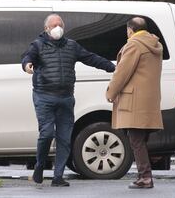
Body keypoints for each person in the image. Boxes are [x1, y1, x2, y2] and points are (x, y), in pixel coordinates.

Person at [22, 14, 115, 187]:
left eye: (60, 24)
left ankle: (58, 176)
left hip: (66, 97)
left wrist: (113, 68)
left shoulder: (72, 46)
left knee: (64, 138)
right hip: (44, 96)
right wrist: (27, 65)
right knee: (47, 134)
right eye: (54, 25)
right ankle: (40, 165)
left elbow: (91, 58)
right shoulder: (38, 45)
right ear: (46, 29)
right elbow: (27, 57)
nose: (58, 27)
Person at [106, 17, 163, 189]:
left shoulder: (134, 45)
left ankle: (145, 177)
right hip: (149, 99)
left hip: (134, 99)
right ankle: (145, 175)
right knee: (140, 139)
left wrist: (111, 92)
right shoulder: (154, 44)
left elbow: (122, 72)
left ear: (130, 30)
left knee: (136, 140)